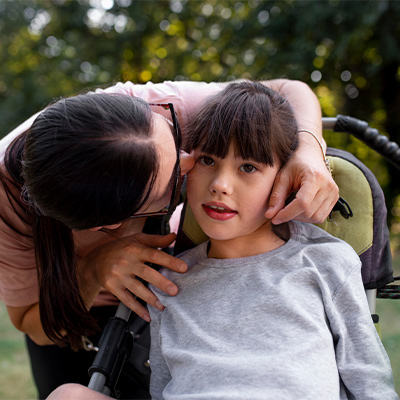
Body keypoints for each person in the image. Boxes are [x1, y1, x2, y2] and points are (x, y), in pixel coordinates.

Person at [0, 79, 338, 399]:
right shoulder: (7, 208)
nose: (191, 162)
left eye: (177, 141)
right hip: (74, 321)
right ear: (115, 222)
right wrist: (92, 270)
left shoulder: (153, 110)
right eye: (174, 175)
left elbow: (287, 89)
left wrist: (309, 147)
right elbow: (30, 321)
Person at [146, 82, 397, 399]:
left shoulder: (325, 262)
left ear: (286, 179)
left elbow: (370, 380)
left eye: (248, 167)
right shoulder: (167, 284)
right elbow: (160, 387)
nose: (221, 185)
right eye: (207, 160)